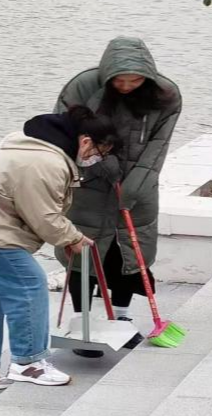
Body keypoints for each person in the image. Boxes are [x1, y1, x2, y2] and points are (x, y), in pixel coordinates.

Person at [0, 107, 122, 391]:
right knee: (29, 285)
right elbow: (44, 216)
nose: (97, 159)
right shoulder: (48, 163)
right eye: (100, 151)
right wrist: (73, 238)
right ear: (85, 141)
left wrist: (68, 237)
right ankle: (28, 362)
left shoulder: (34, 147)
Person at [54, 37, 182, 357]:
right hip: (87, 186)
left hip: (137, 190)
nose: (126, 86)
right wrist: (93, 163)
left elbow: (158, 148)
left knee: (127, 257)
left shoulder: (166, 95)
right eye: (119, 80)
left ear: (148, 77)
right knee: (82, 257)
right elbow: (63, 133)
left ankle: (121, 319)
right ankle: (83, 323)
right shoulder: (83, 86)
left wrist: (134, 188)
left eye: (135, 80)